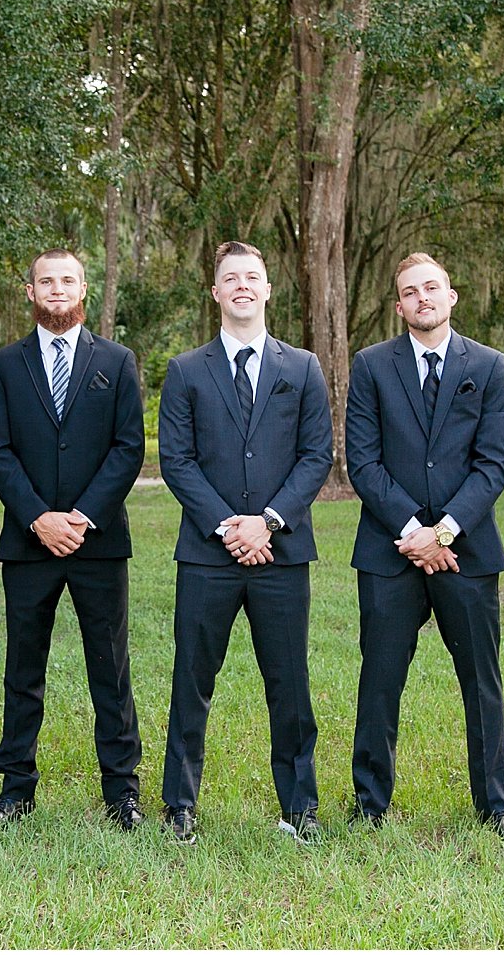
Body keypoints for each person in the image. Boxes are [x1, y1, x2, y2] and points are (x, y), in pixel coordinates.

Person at [345, 252, 504, 842]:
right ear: (399, 307)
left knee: (481, 680)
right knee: (380, 678)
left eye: (432, 288)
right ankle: (370, 804)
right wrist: (413, 533)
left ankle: (494, 806)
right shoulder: (371, 366)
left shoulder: (490, 366)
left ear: (452, 296)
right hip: (388, 552)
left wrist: (444, 531)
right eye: (410, 292)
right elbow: (363, 463)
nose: (422, 298)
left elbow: (493, 464)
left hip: (466, 552)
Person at [156, 240, 333, 844]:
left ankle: (299, 807)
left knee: (289, 682)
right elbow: (177, 461)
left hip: (282, 554)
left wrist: (270, 521)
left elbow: (317, 457)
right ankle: (180, 804)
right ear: (215, 292)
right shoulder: (185, 370)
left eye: (252, 277)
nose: (241, 286)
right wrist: (231, 526)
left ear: (267, 288)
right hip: (208, 554)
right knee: (192, 679)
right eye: (230, 278)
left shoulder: (302, 367)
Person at [0, 249, 147, 832]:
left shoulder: (117, 362)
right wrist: (38, 518)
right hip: (28, 543)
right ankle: (16, 789)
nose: (56, 289)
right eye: (46, 281)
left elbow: (128, 449)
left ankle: (122, 791)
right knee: (23, 668)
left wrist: (81, 517)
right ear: (30, 292)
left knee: (110, 667)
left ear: (83, 290)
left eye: (67, 280)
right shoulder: (2, 366)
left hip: (98, 543)